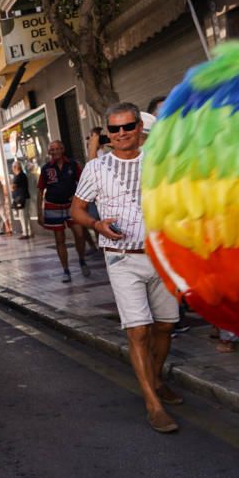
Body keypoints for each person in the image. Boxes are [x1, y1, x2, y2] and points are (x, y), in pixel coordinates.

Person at [71, 102, 181, 433]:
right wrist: (96, 224)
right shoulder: (96, 168)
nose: (121, 134)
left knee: (164, 327)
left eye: (127, 127)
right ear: (107, 132)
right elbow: (76, 210)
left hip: (162, 256)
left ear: (138, 127)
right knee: (139, 330)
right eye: (114, 129)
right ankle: (153, 404)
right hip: (121, 258)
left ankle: (157, 379)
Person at [38, 141, 90, 282]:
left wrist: (80, 197)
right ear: (49, 152)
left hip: (72, 205)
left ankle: (81, 259)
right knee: (59, 240)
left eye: (57, 149)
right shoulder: (46, 169)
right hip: (53, 206)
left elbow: (84, 182)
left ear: (63, 149)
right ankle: (66, 270)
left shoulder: (73, 165)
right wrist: (39, 212)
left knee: (80, 234)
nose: (55, 152)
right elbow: (40, 190)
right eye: (52, 149)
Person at [10, 161, 33, 239]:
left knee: (23, 216)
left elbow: (13, 186)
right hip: (25, 197)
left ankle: (25, 233)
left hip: (21, 198)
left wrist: (12, 187)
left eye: (13, 167)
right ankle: (30, 232)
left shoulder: (19, 176)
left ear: (16, 167)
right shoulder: (23, 175)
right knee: (26, 215)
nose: (12, 169)